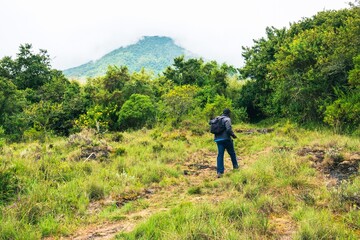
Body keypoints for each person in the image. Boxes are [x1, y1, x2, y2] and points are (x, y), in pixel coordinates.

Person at [213, 108, 239, 178]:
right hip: (226, 139)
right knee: (232, 153)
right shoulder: (227, 119)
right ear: (229, 113)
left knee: (220, 155)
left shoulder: (217, 119)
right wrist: (233, 135)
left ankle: (220, 172)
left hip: (218, 139)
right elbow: (228, 129)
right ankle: (236, 167)